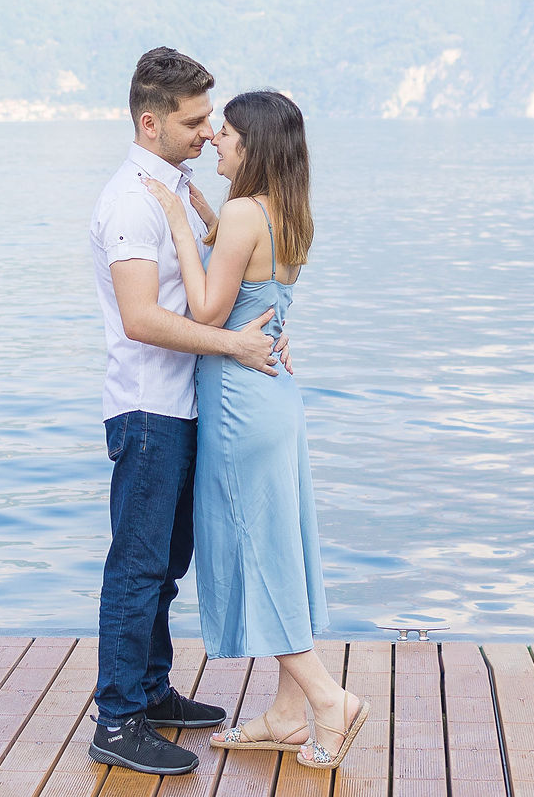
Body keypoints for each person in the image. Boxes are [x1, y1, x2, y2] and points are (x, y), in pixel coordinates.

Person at [140, 88, 368, 771]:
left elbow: (209, 311)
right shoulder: (285, 212)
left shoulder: (241, 213)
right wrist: (204, 215)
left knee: (257, 551)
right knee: (279, 545)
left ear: (253, 147)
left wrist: (179, 224)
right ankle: (287, 714)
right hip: (277, 398)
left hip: (239, 403)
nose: (216, 138)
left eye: (228, 133)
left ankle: (329, 699)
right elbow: (253, 283)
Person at [87, 47, 287, 776]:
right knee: (137, 566)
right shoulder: (130, 201)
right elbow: (142, 317)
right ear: (151, 120)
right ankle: (117, 717)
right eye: (196, 119)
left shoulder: (176, 193)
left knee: (168, 562)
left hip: (184, 403)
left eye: (211, 119)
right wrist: (232, 345)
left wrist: (260, 319)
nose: (209, 131)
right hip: (147, 407)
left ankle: (150, 687)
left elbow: (217, 274)